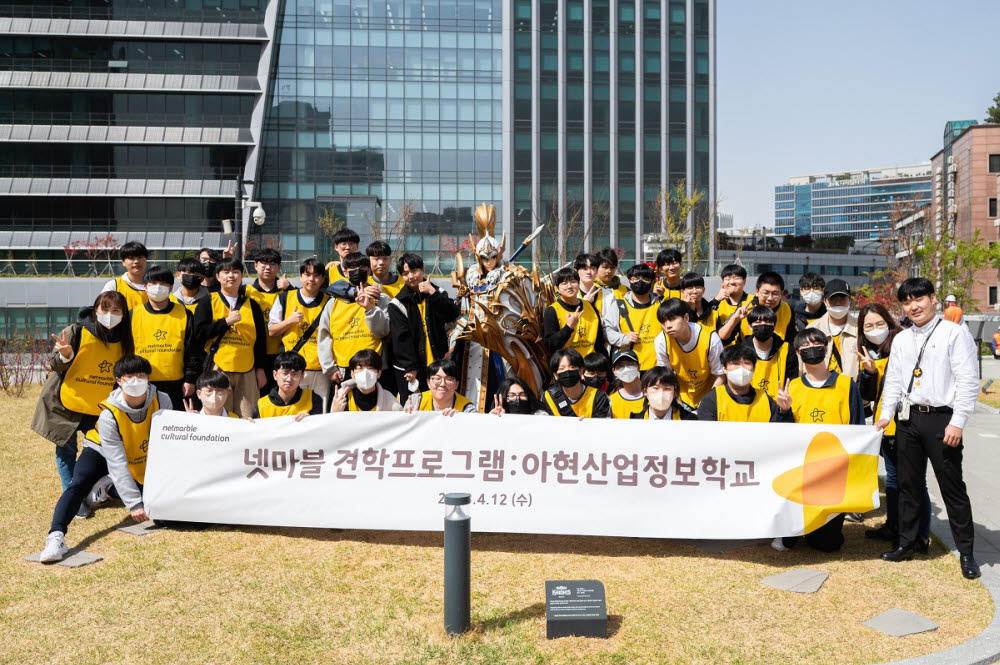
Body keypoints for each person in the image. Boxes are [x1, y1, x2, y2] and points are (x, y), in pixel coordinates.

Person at [877, 277, 981, 579]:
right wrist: (886, 415)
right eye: (907, 302)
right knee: (909, 485)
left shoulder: (953, 333)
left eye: (918, 299)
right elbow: (894, 380)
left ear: (933, 299)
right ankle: (908, 543)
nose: (913, 306)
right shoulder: (902, 338)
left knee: (952, 488)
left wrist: (958, 422)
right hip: (908, 420)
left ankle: (967, 553)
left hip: (942, 420)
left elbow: (967, 380)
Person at [39, 355, 170, 563]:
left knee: (160, 511)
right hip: (101, 449)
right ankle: (56, 537)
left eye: (141, 375)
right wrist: (134, 504)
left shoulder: (162, 399)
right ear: (119, 380)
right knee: (79, 484)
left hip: (138, 451)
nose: (136, 380)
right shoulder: (109, 413)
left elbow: (165, 444)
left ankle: (107, 488)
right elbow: (116, 462)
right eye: (130, 376)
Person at [32, 291, 134, 502]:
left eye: (116, 310)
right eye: (104, 309)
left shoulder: (125, 338)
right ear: (95, 310)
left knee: (101, 452)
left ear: (124, 314)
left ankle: (95, 489)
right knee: (66, 451)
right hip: (66, 403)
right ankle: (74, 498)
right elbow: (54, 364)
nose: (109, 314)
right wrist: (65, 355)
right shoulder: (76, 331)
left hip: (100, 408)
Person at [773, 328, 864, 554]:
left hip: (834, 469)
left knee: (828, 545)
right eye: (805, 348)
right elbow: (780, 435)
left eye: (816, 346)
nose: (811, 351)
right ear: (797, 353)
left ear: (826, 349)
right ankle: (790, 531)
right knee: (791, 530)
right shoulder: (791, 387)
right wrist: (783, 410)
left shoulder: (846, 385)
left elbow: (857, 426)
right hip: (801, 468)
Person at [856, 304, 930, 548]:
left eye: (879, 324)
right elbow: (867, 396)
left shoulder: (904, 346)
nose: (875, 330)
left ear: (889, 323)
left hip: (907, 424)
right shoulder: (869, 353)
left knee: (913, 480)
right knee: (892, 478)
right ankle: (894, 526)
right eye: (868, 326)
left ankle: (919, 535)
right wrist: (868, 373)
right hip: (884, 425)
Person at [192, 258, 267, 418]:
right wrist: (226, 322)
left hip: (246, 369)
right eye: (226, 272)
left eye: (236, 272)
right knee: (219, 416)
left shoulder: (252, 305)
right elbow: (199, 334)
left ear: (241, 276)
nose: (231, 276)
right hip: (218, 367)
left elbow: (260, 340)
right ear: (218, 276)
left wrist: (260, 369)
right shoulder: (207, 302)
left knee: (247, 417)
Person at [389, 253, 462, 401]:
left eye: (414, 271)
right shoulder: (397, 303)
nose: (411, 276)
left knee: (442, 403)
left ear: (422, 270)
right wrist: (410, 367)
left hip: (438, 364)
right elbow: (401, 339)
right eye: (405, 274)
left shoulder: (437, 293)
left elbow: (453, 314)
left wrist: (432, 293)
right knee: (415, 408)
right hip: (414, 369)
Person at [317, 252, 390, 399]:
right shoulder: (333, 302)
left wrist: (369, 308)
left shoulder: (381, 298)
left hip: (373, 367)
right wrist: (330, 368)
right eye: (352, 269)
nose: (357, 271)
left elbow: (384, 331)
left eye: (362, 268)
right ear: (345, 272)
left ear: (369, 271)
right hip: (343, 369)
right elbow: (324, 336)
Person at [130, 264, 200, 410]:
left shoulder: (184, 314)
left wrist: (190, 379)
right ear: (145, 287)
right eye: (153, 283)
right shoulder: (133, 314)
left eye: (163, 283)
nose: (158, 287)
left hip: (177, 384)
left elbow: (193, 350)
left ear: (170, 288)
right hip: (142, 383)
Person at [267, 258, 332, 410]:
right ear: (301, 276)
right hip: (292, 369)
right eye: (307, 274)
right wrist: (289, 321)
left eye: (316, 275)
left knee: (318, 413)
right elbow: (272, 331)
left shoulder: (330, 302)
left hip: (320, 369)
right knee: (291, 411)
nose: (311, 279)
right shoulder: (285, 298)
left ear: (323, 278)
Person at [654, 298, 725, 412]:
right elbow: (666, 376)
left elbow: (720, 375)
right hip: (682, 398)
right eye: (663, 322)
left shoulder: (710, 338)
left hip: (710, 394)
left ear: (686, 318)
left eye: (672, 319)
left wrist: (708, 402)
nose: (668, 326)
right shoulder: (661, 341)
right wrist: (677, 400)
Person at [697, 345, 793, 422]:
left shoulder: (765, 398)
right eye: (735, 363)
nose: (741, 368)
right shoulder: (712, 400)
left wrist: (784, 411)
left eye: (747, 363)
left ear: (754, 368)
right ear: (724, 368)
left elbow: (779, 434)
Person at [245, 248, 290, 394]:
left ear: (279, 267)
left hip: (281, 355)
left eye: (273, 264)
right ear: (255, 265)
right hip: (254, 356)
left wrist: (290, 287)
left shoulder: (288, 292)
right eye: (263, 263)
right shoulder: (245, 291)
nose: (268, 267)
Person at [542, 267, 607, 359]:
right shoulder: (552, 311)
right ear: (557, 288)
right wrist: (568, 328)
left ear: (579, 284)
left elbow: (599, 342)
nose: (569, 286)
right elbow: (549, 345)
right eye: (564, 283)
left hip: (591, 366)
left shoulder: (590, 307)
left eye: (573, 282)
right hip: (568, 366)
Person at [739, 305, 798, 399]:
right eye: (758, 322)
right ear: (750, 326)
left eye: (768, 322)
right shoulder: (740, 350)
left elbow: (792, 380)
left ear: (774, 326)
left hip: (779, 404)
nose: (763, 325)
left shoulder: (787, 350)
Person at [574, 253, 629, 351]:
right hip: (577, 347)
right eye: (584, 269)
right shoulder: (570, 295)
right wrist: (584, 304)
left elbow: (610, 326)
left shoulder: (609, 295)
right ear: (576, 270)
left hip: (602, 349)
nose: (589, 272)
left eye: (592, 268)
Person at [807, 278, 859, 380]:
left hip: (850, 389)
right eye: (833, 300)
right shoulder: (812, 329)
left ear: (850, 300)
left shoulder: (860, 328)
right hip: (820, 390)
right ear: (825, 301)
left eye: (842, 299)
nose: (838, 303)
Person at [615, 263, 660, 372]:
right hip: (628, 367)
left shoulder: (660, 306)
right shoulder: (619, 305)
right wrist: (624, 339)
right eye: (635, 278)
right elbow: (607, 330)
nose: (640, 282)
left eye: (645, 279)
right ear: (629, 281)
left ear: (652, 282)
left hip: (656, 367)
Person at [730, 271, 797, 345]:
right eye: (766, 293)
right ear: (757, 291)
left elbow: (790, 339)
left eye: (775, 294)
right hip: (747, 354)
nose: (770, 298)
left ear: (781, 294)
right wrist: (735, 319)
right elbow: (724, 338)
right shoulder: (744, 308)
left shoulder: (787, 309)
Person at [541, 348, 611, 418]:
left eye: (572, 367)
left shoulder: (599, 397)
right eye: (562, 368)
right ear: (555, 375)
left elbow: (602, 426)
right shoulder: (548, 398)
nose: (567, 371)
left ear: (581, 371)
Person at [252, 351, 324, 418]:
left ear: (302, 376)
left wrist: (311, 420)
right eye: (285, 373)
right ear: (275, 375)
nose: (289, 379)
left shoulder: (312, 399)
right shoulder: (261, 406)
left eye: (294, 374)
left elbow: (319, 428)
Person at [329, 349, 402, 412]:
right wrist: (334, 412)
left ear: (379, 373)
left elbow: (401, 423)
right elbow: (332, 425)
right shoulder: (341, 397)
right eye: (360, 368)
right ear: (352, 374)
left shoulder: (389, 400)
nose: (365, 373)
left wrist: (410, 415)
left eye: (370, 368)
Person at [404, 358, 477, 414]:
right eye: (437, 378)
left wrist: (458, 421)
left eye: (449, 379)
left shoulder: (467, 409)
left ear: (456, 384)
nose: (442, 384)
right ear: (428, 383)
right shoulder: (416, 401)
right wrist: (410, 419)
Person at [632, 366, 698, 420]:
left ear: (675, 392)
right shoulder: (634, 421)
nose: (661, 393)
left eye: (667, 389)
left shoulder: (690, 420)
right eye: (656, 388)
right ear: (645, 391)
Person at [101, 241, 148, 310]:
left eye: (140, 257)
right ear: (123, 262)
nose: (136, 261)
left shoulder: (156, 285)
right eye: (131, 258)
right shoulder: (114, 286)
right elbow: (103, 310)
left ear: (146, 260)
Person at [713, 264, 752, 340]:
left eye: (737, 278)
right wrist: (716, 299)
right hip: (724, 350)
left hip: (748, 349)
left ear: (744, 282)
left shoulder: (753, 301)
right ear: (723, 283)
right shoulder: (717, 304)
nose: (732, 282)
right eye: (728, 279)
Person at [608, 349, 646, 419]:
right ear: (614, 371)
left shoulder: (652, 394)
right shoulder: (611, 401)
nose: (626, 369)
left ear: (639, 367)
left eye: (630, 364)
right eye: (620, 366)